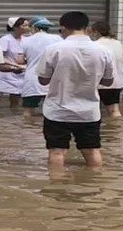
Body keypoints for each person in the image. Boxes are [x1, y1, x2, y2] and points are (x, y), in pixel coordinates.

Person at [36, 11, 113, 170]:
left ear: (63, 28)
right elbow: (108, 81)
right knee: (92, 151)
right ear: (87, 27)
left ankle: (56, 188)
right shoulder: (102, 50)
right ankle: (95, 186)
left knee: (57, 153)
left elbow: (43, 80)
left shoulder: (54, 49)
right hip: (88, 112)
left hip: (57, 111)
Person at [20, 16, 62, 117]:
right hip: (52, 80)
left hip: (32, 81)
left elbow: (20, 60)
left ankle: (28, 131)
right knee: (53, 112)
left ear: (34, 27)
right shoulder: (58, 39)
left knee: (28, 112)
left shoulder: (26, 40)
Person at [0, 17, 30, 108]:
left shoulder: (26, 40)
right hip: (4, 74)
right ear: (15, 27)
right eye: (24, 25)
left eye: (28, 25)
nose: (27, 27)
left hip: (19, 74)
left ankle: (13, 119)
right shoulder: (5, 40)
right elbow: (0, 57)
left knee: (15, 100)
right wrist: (14, 65)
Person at [89, 20, 123, 118]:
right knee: (114, 110)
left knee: (94, 111)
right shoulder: (117, 43)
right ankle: (116, 131)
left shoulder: (95, 45)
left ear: (96, 32)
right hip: (116, 82)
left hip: (101, 83)